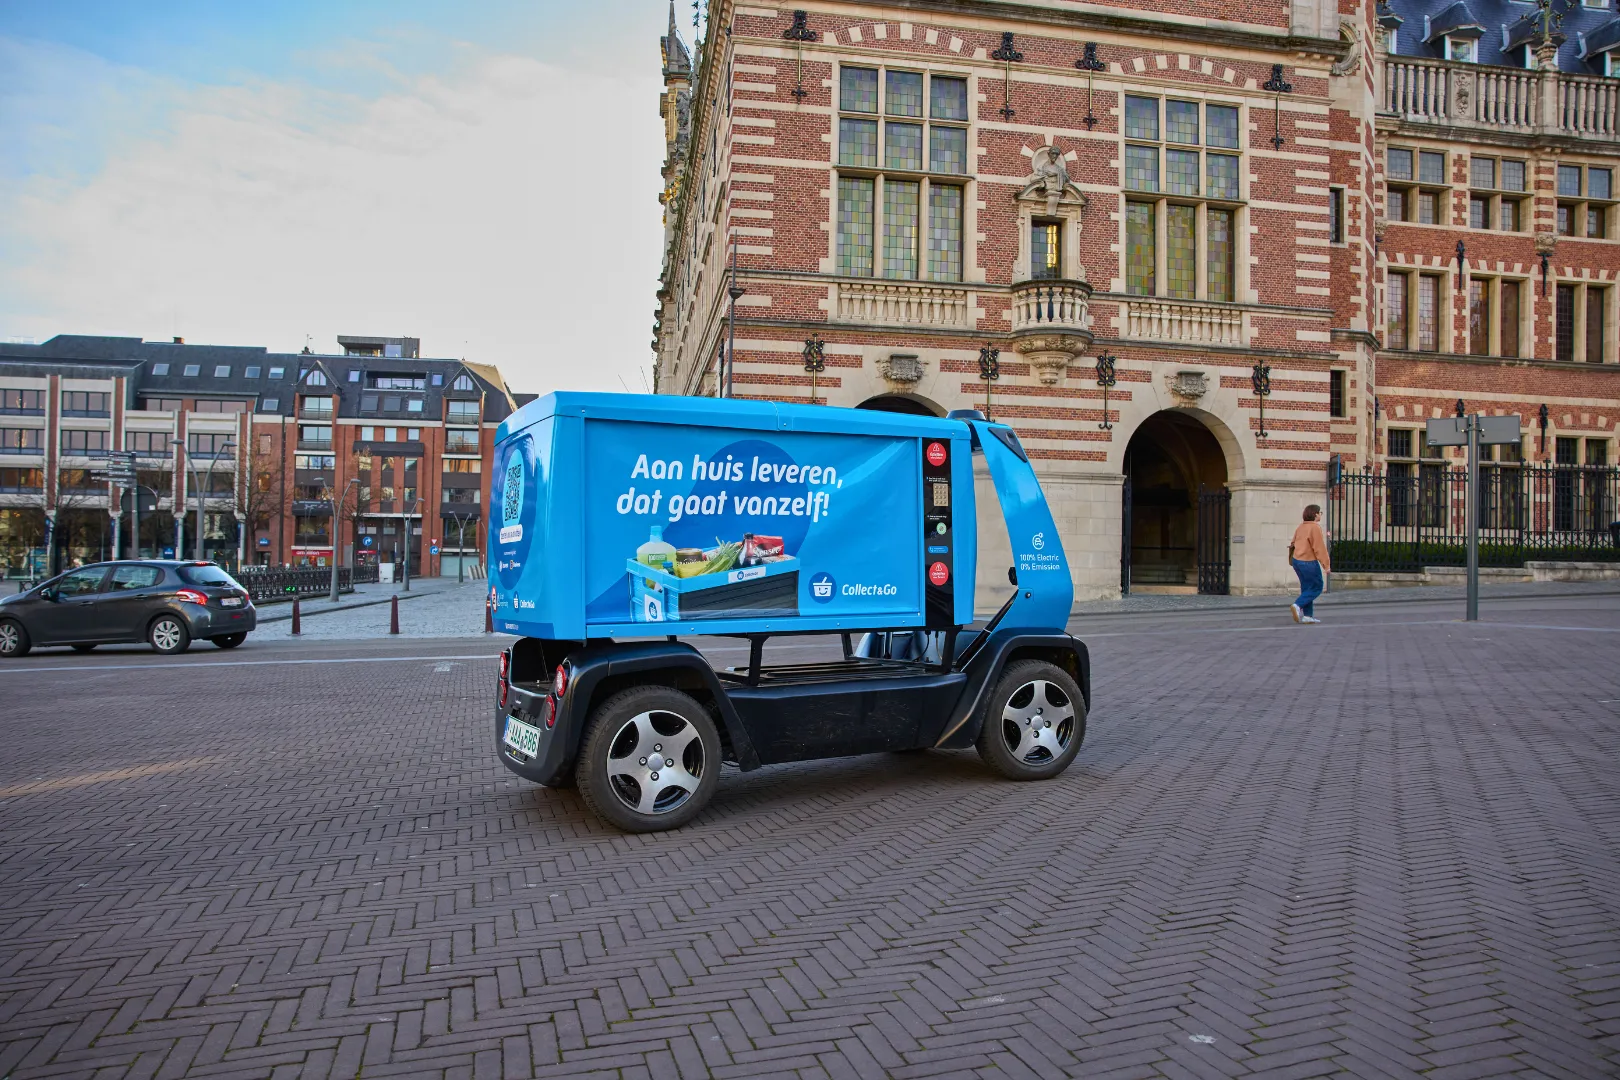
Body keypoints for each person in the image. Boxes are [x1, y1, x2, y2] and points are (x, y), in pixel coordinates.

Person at [1289, 505, 1330, 624]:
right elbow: (1319, 548)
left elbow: (1292, 543)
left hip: (1297, 561)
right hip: (1309, 561)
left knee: (1307, 588)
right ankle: (1298, 605)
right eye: (1320, 512)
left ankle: (1307, 616)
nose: (1320, 515)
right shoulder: (1315, 528)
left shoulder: (1300, 527)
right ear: (1315, 514)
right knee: (1317, 586)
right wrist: (1326, 565)